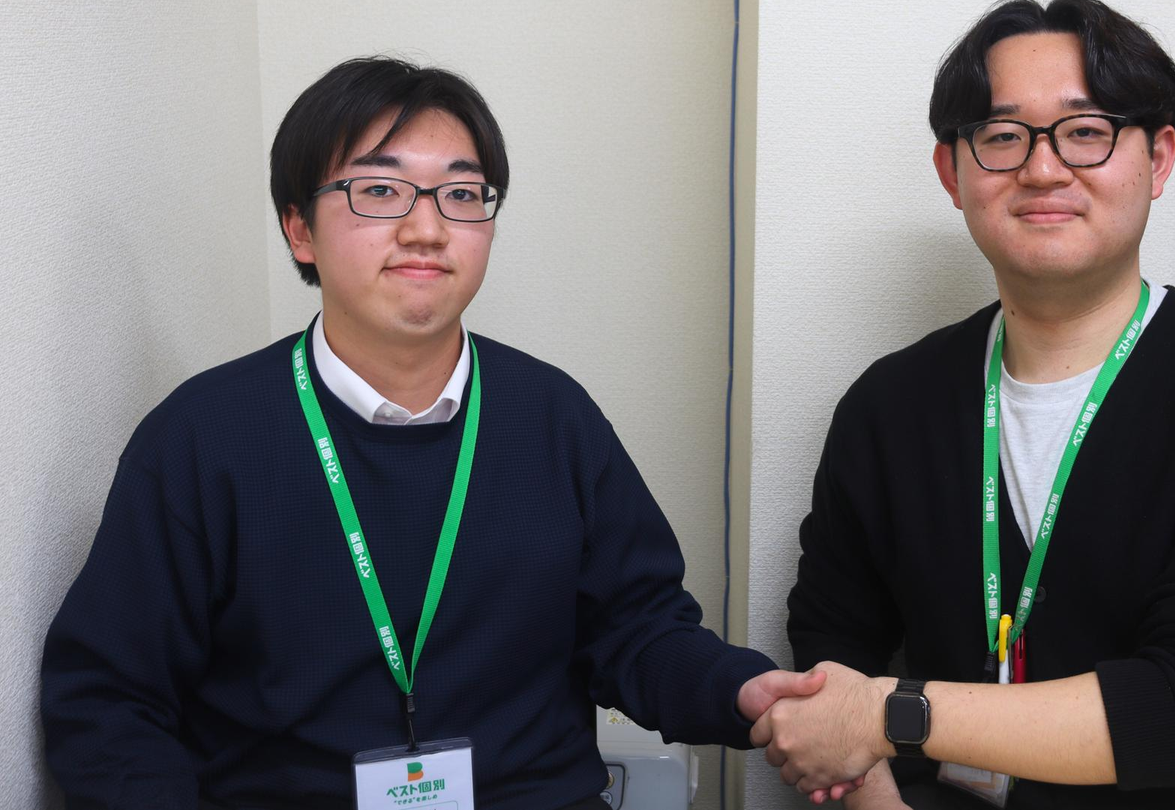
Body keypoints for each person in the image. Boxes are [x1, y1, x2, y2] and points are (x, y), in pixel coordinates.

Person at [41, 57, 834, 810]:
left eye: (460, 194)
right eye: (380, 190)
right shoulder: (201, 438)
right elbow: (108, 701)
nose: (427, 227)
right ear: (299, 229)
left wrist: (743, 690)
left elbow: (638, 629)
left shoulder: (554, 418)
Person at [761, 0, 1175, 809]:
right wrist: (878, 798)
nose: (1043, 169)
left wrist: (894, 714)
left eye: (1086, 130)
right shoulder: (887, 407)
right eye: (1003, 136)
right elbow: (832, 646)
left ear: (1159, 158)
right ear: (953, 173)